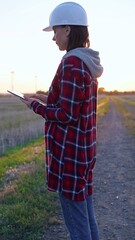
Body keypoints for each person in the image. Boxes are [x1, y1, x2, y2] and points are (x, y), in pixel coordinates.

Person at [22, 2, 103, 240]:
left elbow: (67, 115)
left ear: (68, 29)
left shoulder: (71, 62)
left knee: (78, 227)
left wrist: (36, 106)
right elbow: (74, 102)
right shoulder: (86, 62)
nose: (54, 37)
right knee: (87, 217)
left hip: (70, 155)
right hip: (84, 152)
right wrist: (46, 98)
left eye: (56, 30)